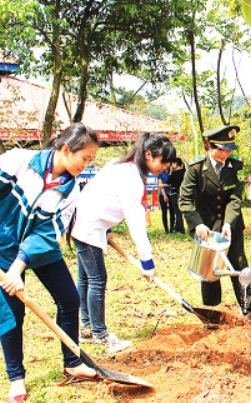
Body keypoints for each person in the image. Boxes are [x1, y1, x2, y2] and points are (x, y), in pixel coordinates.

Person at [0, 122, 100, 401]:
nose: (86, 164)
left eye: (91, 160)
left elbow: (47, 232)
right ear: (66, 149)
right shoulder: (20, 161)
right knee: (13, 314)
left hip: (41, 251)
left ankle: (73, 361)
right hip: (4, 248)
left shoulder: (71, 189)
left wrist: (19, 267)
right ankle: (16, 379)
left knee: (69, 299)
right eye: (85, 158)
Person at [71, 133, 176, 353]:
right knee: (97, 280)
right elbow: (136, 223)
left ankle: (87, 328)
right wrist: (147, 262)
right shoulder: (132, 179)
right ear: (149, 155)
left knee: (86, 279)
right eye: (162, 162)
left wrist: (106, 229)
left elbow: (100, 195)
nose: (165, 168)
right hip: (88, 226)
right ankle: (100, 334)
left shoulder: (120, 166)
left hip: (86, 222)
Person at [179, 125, 251, 315]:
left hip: (232, 226)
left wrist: (229, 222)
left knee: (238, 263)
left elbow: (234, 198)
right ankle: (213, 311)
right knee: (210, 269)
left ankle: (249, 307)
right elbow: (185, 200)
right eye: (220, 149)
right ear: (208, 146)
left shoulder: (235, 165)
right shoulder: (195, 168)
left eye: (229, 149)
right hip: (207, 228)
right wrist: (197, 223)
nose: (224, 154)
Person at [165, 158, 186, 233]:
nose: (172, 165)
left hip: (175, 193)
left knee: (177, 212)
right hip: (183, 193)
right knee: (181, 211)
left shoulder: (174, 173)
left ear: (176, 164)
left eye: (173, 163)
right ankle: (179, 227)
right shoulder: (185, 172)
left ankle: (180, 228)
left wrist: (171, 172)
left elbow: (168, 182)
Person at [157, 168, 171, 233]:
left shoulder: (171, 172)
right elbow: (160, 185)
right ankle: (166, 229)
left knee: (172, 212)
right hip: (162, 194)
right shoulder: (160, 173)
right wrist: (164, 195)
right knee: (164, 212)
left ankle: (172, 228)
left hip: (171, 194)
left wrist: (164, 185)